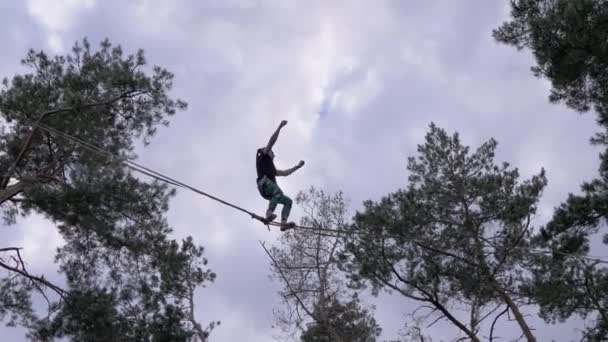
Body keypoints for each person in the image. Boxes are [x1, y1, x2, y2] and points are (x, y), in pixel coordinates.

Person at [256, 120, 304, 231]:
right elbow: (271, 142)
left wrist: (297, 166)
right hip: (264, 184)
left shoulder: (271, 169)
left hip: (269, 191)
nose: (274, 154)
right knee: (278, 192)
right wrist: (279, 127)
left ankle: (283, 224)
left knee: (288, 201)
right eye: (272, 152)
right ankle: (268, 215)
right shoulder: (263, 157)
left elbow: (285, 173)